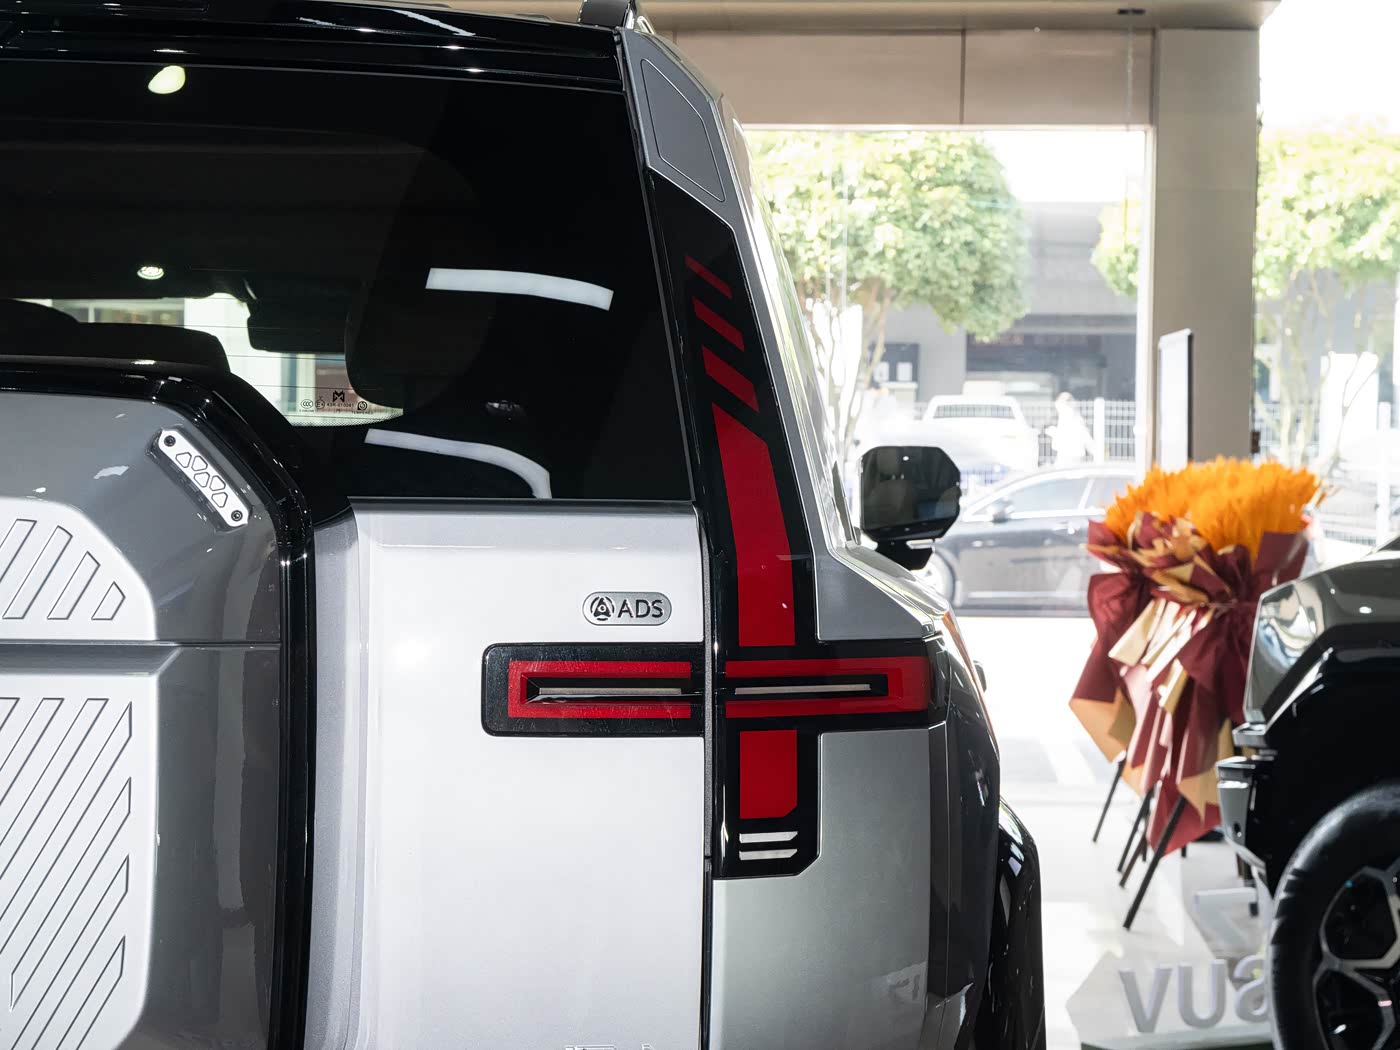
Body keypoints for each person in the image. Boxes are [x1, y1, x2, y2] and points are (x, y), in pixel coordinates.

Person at [1049, 391, 1096, 465]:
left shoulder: (1068, 416)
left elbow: (1057, 443)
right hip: (1072, 455)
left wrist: (1054, 433)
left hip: (1070, 456)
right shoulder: (1073, 417)